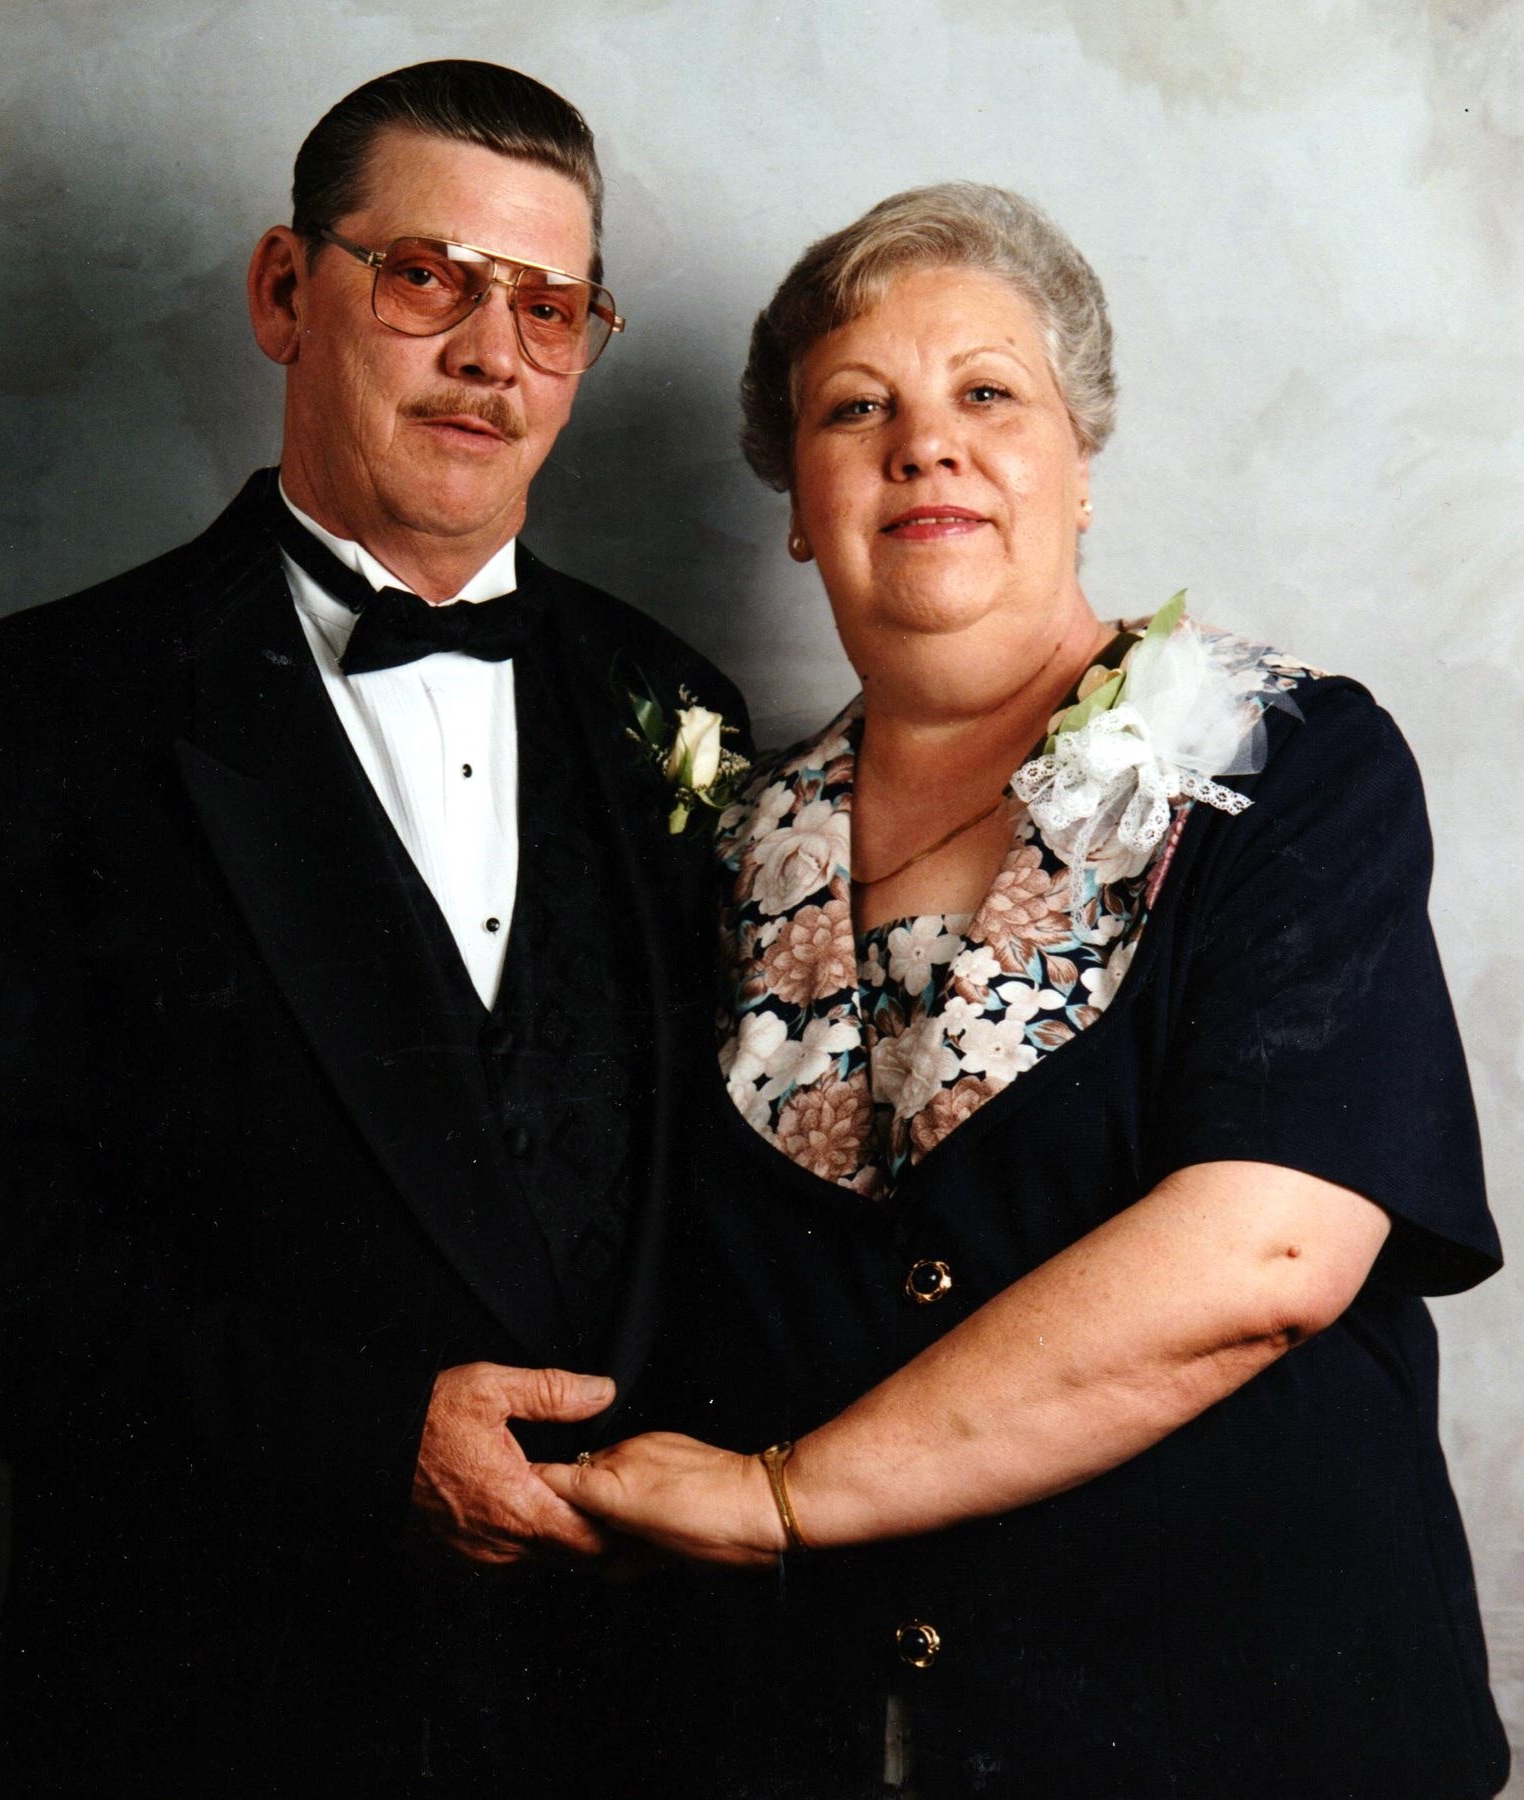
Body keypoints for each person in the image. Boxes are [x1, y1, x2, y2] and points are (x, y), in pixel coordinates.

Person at [0, 59, 746, 1800]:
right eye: (428, 278)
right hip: (211, 1708)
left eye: (548, 308)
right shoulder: (18, 717)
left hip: (624, 1710)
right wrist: (365, 1437)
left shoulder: (676, 706)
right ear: (282, 292)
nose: (490, 353)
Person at [541, 182, 1510, 1798]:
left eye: (988, 393)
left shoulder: (1283, 763)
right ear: (799, 504)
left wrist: (785, 1497)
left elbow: (1268, 1254)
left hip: (1254, 1735)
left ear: (1082, 462)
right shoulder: (724, 848)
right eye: (858, 409)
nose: (927, 445)